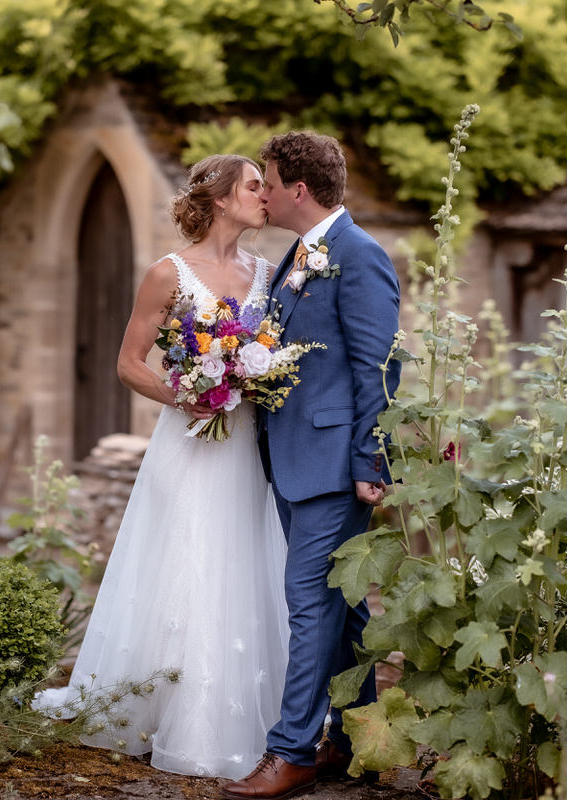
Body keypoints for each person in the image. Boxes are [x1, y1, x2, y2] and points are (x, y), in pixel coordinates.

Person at [33, 154, 291, 780]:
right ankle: (168, 710)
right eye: (255, 186)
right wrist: (190, 393)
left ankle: (255, 715)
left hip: (248, 443)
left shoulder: (269, 273)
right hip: (190, 438)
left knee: (246, 560)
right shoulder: (166, 274)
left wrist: (254, 377)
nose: (267, 195)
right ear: (222, 198)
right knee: (186, 561)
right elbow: (130, 361)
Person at [222, 132, 401, 800]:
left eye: (266, 181)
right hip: (290, 456)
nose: (262, 192)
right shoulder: (301, 253)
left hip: (333, 465)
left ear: (298, 189)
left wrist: (369, 459)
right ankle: (352, 742)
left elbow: (379, 367)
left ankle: (290, 750)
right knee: (343, 607)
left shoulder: (359, 256)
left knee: (308, 603)